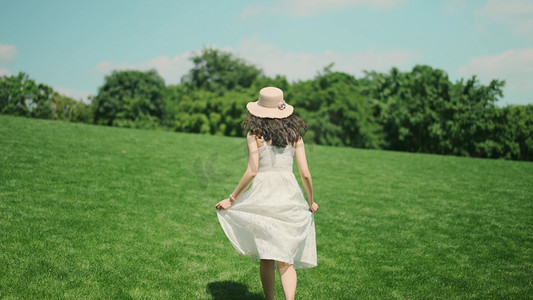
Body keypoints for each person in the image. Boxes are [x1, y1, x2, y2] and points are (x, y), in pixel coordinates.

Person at [215, 86, 318, 300]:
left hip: (263, 195)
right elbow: (305, 174)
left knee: (267, 256)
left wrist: (232, 199)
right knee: (285, 259)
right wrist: (310, 201)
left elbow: (252, 171)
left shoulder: (255, 135)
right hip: (289, 195)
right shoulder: (295, 135)